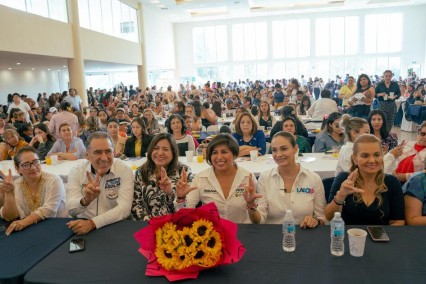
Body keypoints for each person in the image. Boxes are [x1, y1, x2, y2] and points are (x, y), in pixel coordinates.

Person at [244, 131, 326, 226]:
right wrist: (251, 206)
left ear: (295, 149)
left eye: (284, 149)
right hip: (273, 235)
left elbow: (322, 218)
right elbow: (259, 221)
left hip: (305, 234)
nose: (278, 154)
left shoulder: (313, 178)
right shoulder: (265, 178)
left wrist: (315, 221)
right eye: (274, 150)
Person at [175, 134, 256, 223]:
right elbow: (187, 211)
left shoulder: (248, 177)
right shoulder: (201, 178)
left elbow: (258, 220)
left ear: (234, 154)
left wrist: (251, 206)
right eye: (214, 153)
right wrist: (180, 198)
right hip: (212, 233)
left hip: (242, 231)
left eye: (224, 152)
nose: (219, 157)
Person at [325, 134, 405, 225]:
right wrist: (341, 196)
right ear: (355, 159)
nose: (372, 160)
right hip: (349, 236)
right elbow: (329, 217)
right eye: (365, 156)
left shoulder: (392, 182)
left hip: (381, 237)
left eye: (376, 155)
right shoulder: (344, 179)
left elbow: (398, 221)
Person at [66, 132, 134, 235]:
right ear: (87, 155)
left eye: (108, 151)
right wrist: (85, 200)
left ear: (114, 152)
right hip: (83, 226)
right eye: (97, 152)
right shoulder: (77, 171)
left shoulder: (124, 169)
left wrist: (93, 223)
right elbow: (71, 209)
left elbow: (124, 209)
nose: (104, 158)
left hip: (114, 225)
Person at [0, 147, 66, 235]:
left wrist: (24, 222)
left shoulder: (54, 180)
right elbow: (10, 217)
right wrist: (9, 193)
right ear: (17, 168)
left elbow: (49, 210)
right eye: (26, 165)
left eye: (36, 162)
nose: (33, 167)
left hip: (57, 227)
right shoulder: (16, 185)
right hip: (30, 230)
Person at [131, 133, 194, 221]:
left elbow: (189, 208)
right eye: (156, 148)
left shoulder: (183, 172)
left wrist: (171, 193)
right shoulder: (141, 172)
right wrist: (149, 223)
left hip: (176, 225)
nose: (160, 153)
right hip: (147, 225)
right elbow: (136, 205)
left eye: (165, 149)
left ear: (173, 152)